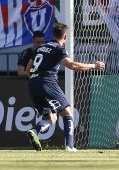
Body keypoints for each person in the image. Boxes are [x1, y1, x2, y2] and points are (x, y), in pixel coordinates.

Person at [25, 22, 105, 152]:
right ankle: (70, 146)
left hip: (32, 85)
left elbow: (28, 70)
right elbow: (71, 65)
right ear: (65, 36)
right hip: (47, 83)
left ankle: (34, 131)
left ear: (53, 34)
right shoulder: (58, 49)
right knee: (67, 113)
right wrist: (93, 66)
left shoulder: (40, 48)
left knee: (50, 117)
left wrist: (37, 81)